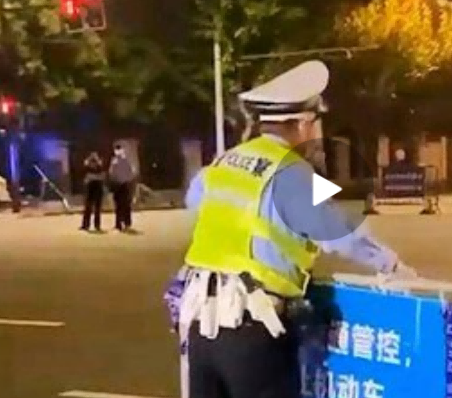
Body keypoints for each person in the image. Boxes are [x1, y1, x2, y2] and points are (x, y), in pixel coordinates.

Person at [166, 60, 418, 398]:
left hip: (200, 328)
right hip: (252, 331)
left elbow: (194, 200)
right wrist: (391, 264)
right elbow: (341, 233)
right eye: (315, 123)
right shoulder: (295, 173)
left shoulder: (225, 161)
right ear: (301, 124)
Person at [108, 144, 138, 232]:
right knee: (125, 204)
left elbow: (111, 173)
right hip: (123, 185)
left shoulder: (116, 161)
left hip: (119, 185)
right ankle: (125, 223)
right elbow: (131, 173)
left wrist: (116, 180)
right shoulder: (125, 160)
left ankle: (120, 224)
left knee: (120, 205)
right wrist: (127, 180)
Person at [80, 152, 107, 232]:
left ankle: (97, 225)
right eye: (92, 161)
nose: (93, 163)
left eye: (94, 161)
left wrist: (91, 177)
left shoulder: (100, 167)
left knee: (97, 209)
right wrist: (95, 177)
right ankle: (85, 225)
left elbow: (102, 176)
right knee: (87, 208)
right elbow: (86, 178)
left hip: (98, 189)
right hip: (90, 189)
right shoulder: (87, 168)